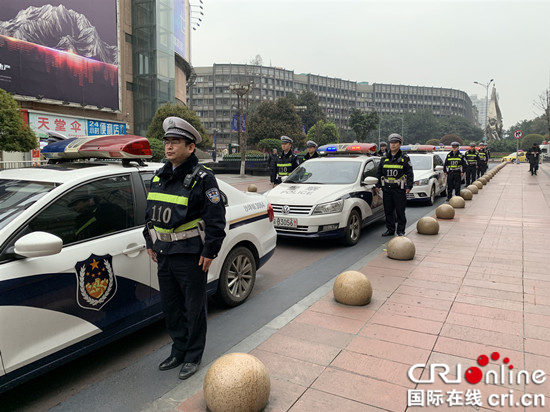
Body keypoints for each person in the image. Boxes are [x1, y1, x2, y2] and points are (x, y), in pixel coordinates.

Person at [143, 116, 226, 380]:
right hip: (165, 254)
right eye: (167, 142)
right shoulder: (159, 177)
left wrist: (209, 252)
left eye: (175, 142)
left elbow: (216, 220)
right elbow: (150, 214)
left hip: (191, 255)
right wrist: (150, 242)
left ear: (190, 147)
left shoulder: (203, 179)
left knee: (193, 308)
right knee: (171, 307)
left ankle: (192, 355)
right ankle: (178, 349)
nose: (168, 147)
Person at [375, 133, 413, 237]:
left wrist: (409, 186)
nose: (393, 145)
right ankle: (390, 229)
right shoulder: (384, 158)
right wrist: (378, 184)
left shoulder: (404, 158)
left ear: (400, 144)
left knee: (400, 211)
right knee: (388, 211)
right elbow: (379, 172)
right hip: (387, 189)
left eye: (395, 143)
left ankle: (400, 231)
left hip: (399, 189)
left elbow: (410, 173)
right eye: (391, 143)